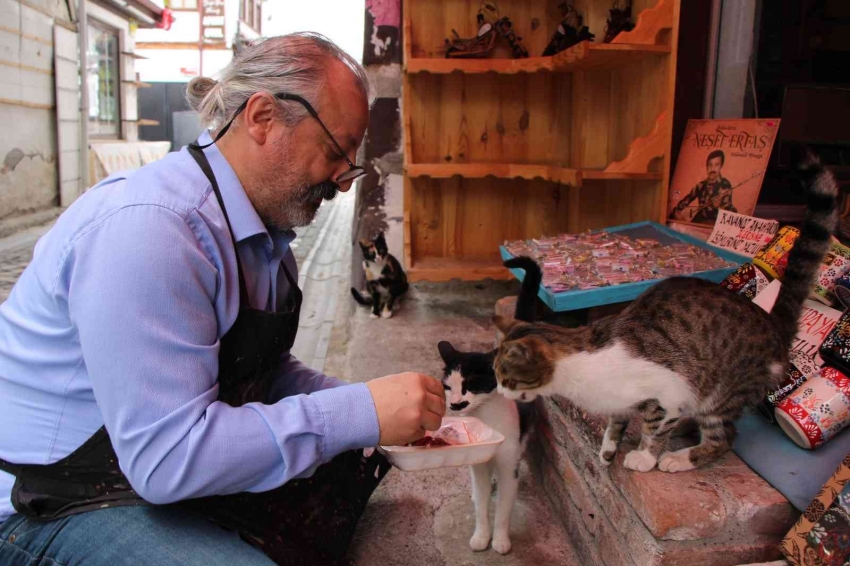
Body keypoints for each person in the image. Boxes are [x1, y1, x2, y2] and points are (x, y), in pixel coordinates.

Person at [0, 33, 445, 566]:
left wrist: (368, 402)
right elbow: (167, 460)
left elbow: (258, 373)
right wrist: (356, 413)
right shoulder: (155, 231)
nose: (343, 183)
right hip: (50, 504)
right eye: (335, 152)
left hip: (136, 473)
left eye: (351, 161)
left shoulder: (266, 235)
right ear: (262, 118)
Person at [670, 149, 736, 224]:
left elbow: (729, 214)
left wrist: (718, 207)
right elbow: (688, 199)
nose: (712, 169)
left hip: (715, 223)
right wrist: (677, 210)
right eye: (710, 165)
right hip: (700, 220)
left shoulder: (725, 185)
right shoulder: (701, 185)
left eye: (716, 165)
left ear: (721, 166)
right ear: (706, 166)